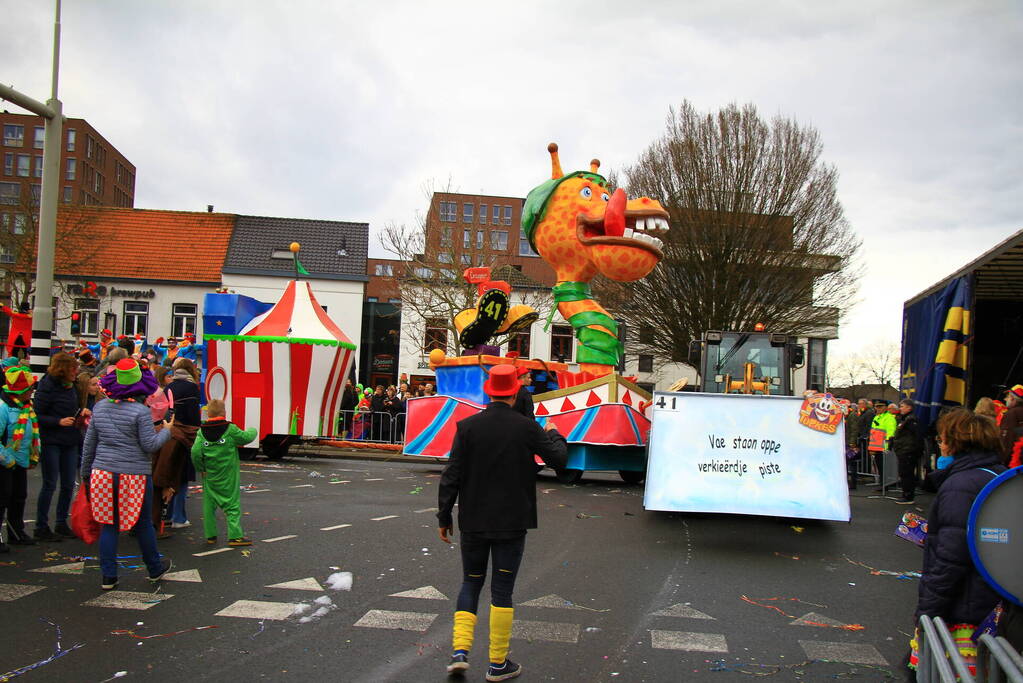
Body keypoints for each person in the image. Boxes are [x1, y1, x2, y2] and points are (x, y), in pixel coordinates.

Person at [438, 364, 568, 680]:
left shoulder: (467, 427)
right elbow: (559, 460)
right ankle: (498, 663)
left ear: (490, 392)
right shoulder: (526, 428)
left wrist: (444, 515)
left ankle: (460, 651)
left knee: (471, 581)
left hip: (473, 520)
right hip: (512, 521)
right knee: (502, 590)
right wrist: (554, 433)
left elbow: (451, 475)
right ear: (514, 391)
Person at [909, 407, 1007, 676]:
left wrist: (926, 611)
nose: (940, 445)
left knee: (947, 672)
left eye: (942, 439)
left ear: (956, 442)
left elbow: (952, 557)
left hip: (963, 610)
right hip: (989, 602)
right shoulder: (999, 475)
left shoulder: (961, 484)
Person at [81, 358, 174, 590]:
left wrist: (86, 475)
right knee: (142, 523)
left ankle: (108, 576)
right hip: (134, 475)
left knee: (109, 524)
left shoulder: (100, 408)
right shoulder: (140, 412)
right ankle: (154, 567)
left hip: (102, 472)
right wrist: (167, 431)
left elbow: (89, 445)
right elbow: (150, 445)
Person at [33, 352, 84, 541]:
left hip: (69, 439)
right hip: (52, 440)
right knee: (50, 483)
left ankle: (61, 522)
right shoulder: (47, 386)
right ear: (63, 369)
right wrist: (58, 421)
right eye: (73, 369)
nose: (76, 372)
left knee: (68, 484)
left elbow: (72, 408)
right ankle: (41, 525)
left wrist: (80, 413)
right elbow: (37, 414)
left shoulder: (71, 386)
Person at [190, 399, 256, 547]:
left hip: (210, 474)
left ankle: (210, 535)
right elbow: (246, 437)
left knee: (209, 505)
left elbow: (195, 452)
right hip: (228, 474)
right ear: (224, 412)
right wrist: (253, 429)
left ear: (208, 414)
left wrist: (201, 469)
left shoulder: (201, 432)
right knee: (232, 504)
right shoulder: (230, 429)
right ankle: (235, 536)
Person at [155, 357, 202, 535]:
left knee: (169, 473)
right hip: (185, 434)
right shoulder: (192, 388)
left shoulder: (169, 387)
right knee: (182, 476)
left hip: (168, 432)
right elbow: (193, 415)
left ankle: (166, 514)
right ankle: (179, 517)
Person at [0, 366, 39, 550]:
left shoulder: (25, 406)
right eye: (30, 388)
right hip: (5, 463)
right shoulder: (3, 408)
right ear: (21, 390)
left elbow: (30, 433)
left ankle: (17, 533)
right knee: (2, 499)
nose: (32, 391)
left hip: (20, 461)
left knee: (19, 497)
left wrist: (32, 454)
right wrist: (7, 460)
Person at [890, 399, 924, 504]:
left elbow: (917, 436)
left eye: (902, 406)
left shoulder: (911, 420)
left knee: (907, 473)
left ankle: (908, 496)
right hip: (903, 450)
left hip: (908, 450)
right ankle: (905, 494)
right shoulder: (904, 419)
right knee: (904, 473)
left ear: (909, 407)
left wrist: (916, 450)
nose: (900, 408)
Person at [999, 385, 1023, 467]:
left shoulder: (1011, 414)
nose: (1005, 399)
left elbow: (1007, 440)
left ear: (1013, 398)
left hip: (1012, 463)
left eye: (1007, 396)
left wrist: (1002, 461)